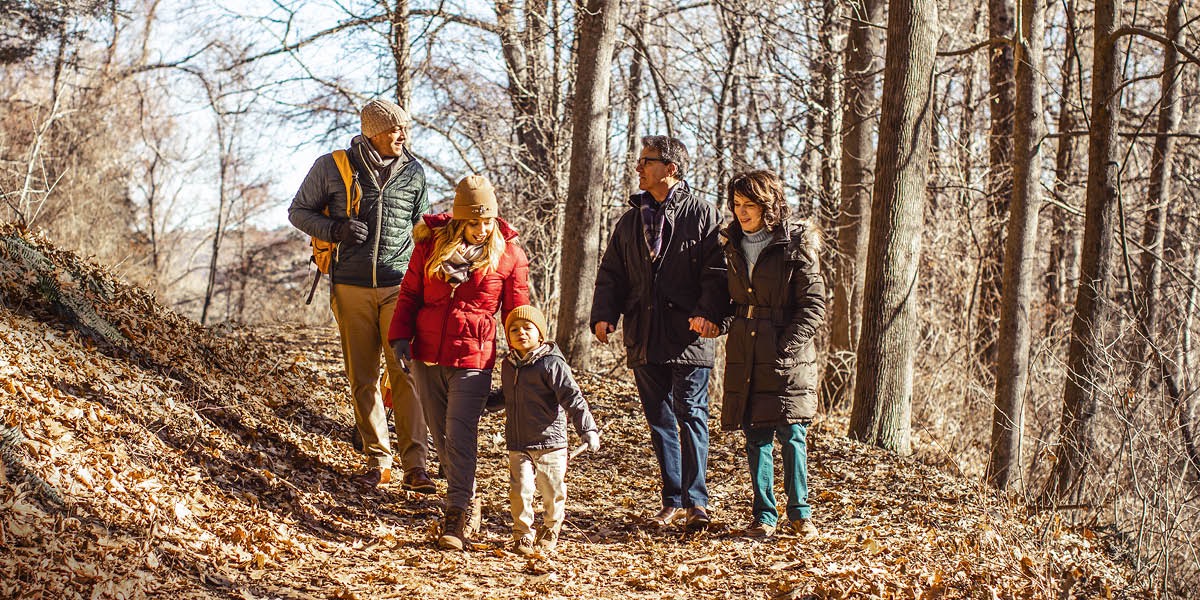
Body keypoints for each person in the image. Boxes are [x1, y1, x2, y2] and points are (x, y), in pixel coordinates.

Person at [288, 99, 433, 493]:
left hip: (399, 287)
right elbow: (298, 212)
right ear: (372, 132)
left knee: (406, 373)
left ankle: (416, 466)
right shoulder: (332, 167)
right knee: (363, 377)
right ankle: (378, 460)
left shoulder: (414, 173)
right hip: (349, 285)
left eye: (404, 128)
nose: (402, 135)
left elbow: (422, 229)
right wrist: (336, 229)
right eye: (395, 129)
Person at [589, 135, 726, 530]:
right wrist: (604, 315)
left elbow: (717, 274)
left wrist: (707, 314)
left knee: (692, 415)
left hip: (690, 336)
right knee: (661, 420)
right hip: (644, 334)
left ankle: (697, 502)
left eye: (646, 161)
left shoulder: (703, 214)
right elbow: (611, 273)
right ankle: (672, 499)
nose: (638, 167)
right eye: (639, 160)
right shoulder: (631, 220)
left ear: (671, 168)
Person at [388, 174, 530, 551]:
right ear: (458, 219)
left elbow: (517, 310)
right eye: (474, 222)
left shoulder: (508, 254)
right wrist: (400, 337)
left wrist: (526, 353)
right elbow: (409, 295)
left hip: (474, 356)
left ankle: (456, 513)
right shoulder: (429, 246)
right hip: (428, 355)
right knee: (440, 433)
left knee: (460, 432)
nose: (482, 229)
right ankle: (466, 494)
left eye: (487, 221)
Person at [717, 170, 824, 539]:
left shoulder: (794, 244)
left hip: (787, 358)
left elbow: (813, 305)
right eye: (736, 205)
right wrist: (714, 320)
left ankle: (800, 515)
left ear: (769, 206)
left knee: (792, 434)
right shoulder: (729, 243)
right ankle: (764, 516)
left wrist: (786, 347)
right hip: (746, 353)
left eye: (750, 205)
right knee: (756, 437)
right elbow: (728, 300)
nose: (742, 212)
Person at [498, 305, 600, 555]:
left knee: (552, 490)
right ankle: (522, 533)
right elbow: (506, 396)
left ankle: (551, 527)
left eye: (527, 328)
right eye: (514, 329)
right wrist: (477, 404)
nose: (521, 333)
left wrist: (587, 429)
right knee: (520, 489)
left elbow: (572, 398)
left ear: (540, 334)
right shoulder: (509, 365)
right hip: (518, 442)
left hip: (550, 443)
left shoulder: (551, 364)